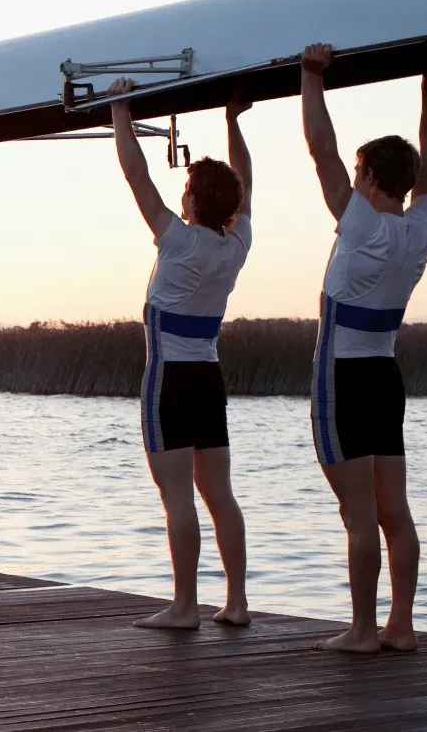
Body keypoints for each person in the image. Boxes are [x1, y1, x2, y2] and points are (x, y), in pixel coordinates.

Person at [299, 43, 427, 654]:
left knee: (359, 514)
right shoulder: (421, 231)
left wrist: (311, 77)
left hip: (342, 378)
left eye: (357, 173)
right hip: (386, 376)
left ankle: (362, 631)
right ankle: (401, 627)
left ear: (366, 179)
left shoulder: (359, 223)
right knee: (395, 511)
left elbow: (319, 148)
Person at [104, 77, 254, 628]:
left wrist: (120, 109)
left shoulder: (177, 237)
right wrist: (233, 122)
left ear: (191, 202)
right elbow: (246, 185)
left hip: (168, 381)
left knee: (178, 499)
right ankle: (236, 603)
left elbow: (136, 174)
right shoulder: (238, 242)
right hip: (208, 378)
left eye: (186, 189)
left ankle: (186, 606)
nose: (181, 195)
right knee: (220, 495)